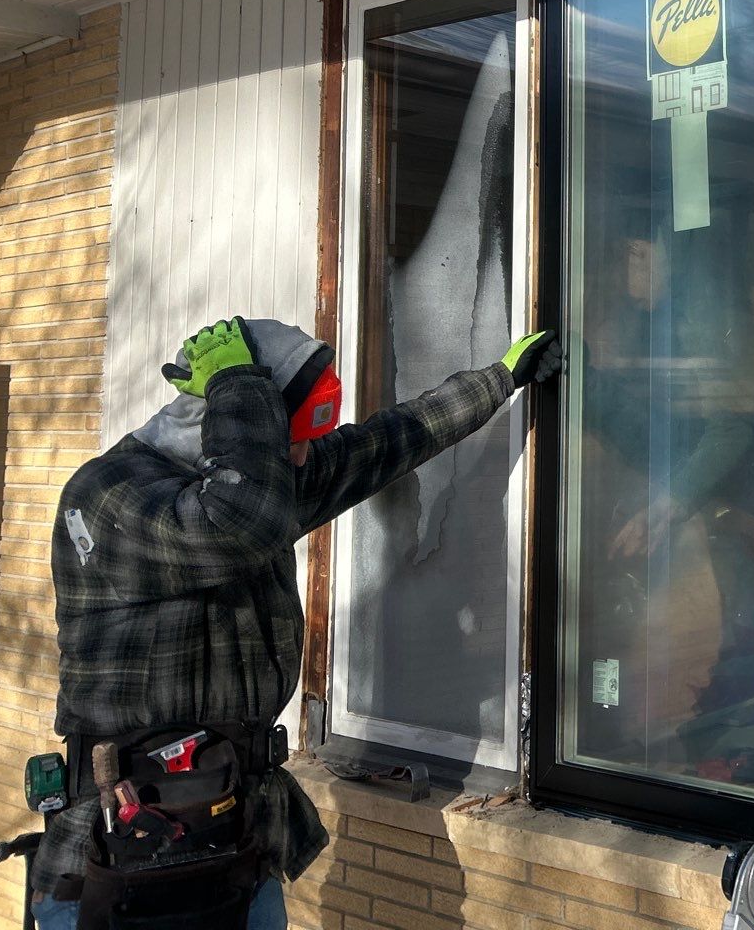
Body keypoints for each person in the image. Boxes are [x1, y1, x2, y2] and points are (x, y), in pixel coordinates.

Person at [30, 315, 563, 929]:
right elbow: (237, 524)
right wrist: (238, 379)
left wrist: (499, 379)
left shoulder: (256, 489)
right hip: (120, 860)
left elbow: (388, 442)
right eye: (297, 432)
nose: (306, 453)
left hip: (235, 850)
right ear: (233, 416)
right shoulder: (109, 494)